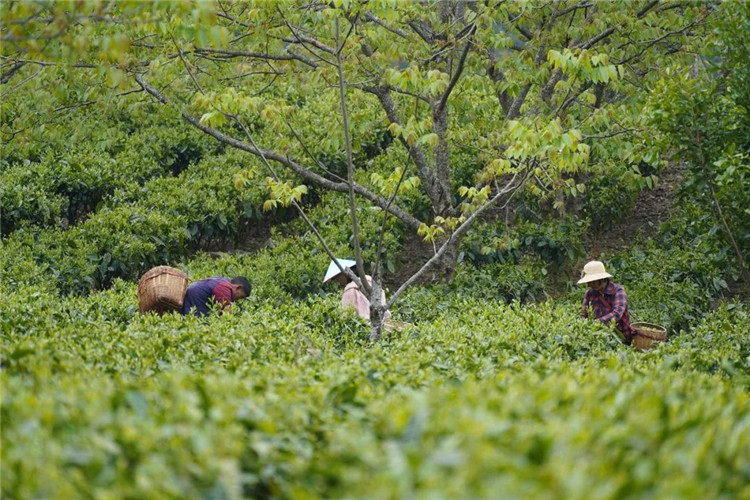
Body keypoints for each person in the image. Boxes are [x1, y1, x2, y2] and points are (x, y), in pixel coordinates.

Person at [578, 260, 635, 345]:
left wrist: (596, 323)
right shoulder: (589, 293)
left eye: (592, 281)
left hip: (620, 338)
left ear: (601, 279)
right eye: (588, 282)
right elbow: (583, 315)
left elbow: (617, 314)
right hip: (598, 337)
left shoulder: (618, 291)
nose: (589, 285)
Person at [323, 259, 391, 322]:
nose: (338, 281)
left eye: (338, 277)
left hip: (365, 325)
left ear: (343, 274)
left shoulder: (349, 288)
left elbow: (347, 315)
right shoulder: (370, 280)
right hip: (383, 322)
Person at [181, 276, 251, 317]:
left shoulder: (224, 281)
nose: (238, 299)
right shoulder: (224, 287)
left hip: (192, 293)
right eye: (240, 297)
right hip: (195, 298)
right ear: (238, 287)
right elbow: (226, 312)